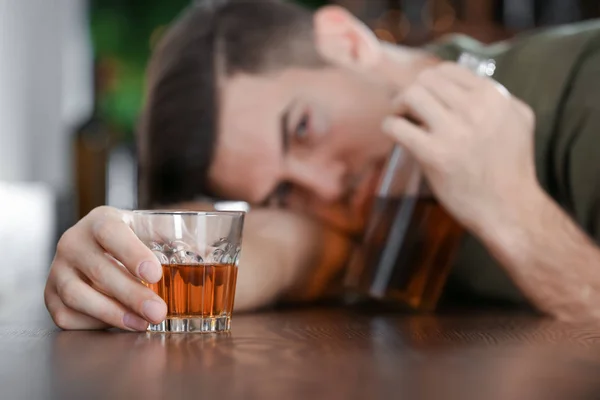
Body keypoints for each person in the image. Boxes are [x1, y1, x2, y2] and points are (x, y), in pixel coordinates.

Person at [45, 0, 600, 331]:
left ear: (346, 43)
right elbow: (275, 243)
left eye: (303, 128)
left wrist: (516, 216)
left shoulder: (583, 88)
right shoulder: (367, 212)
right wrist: (125, 261)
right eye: (283, 193)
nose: (327, 188)